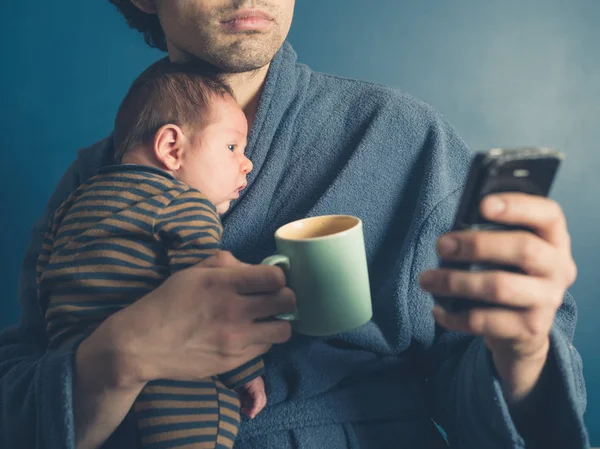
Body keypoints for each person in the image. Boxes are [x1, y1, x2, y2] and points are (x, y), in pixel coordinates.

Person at [0, 1, 589, 448]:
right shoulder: (90, 181)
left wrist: (523, 351)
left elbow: (484, 402)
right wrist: (120, 355)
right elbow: (20, 405)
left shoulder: (398, 136)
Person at [36, 62, 265, 449]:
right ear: (171, 147)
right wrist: (244, 372)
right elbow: (211, 295)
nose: (247, 163)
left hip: (83, 385)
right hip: (173, 391)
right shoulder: (184, 205)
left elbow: (45, 281)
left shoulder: (74, 201)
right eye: (232, 147)